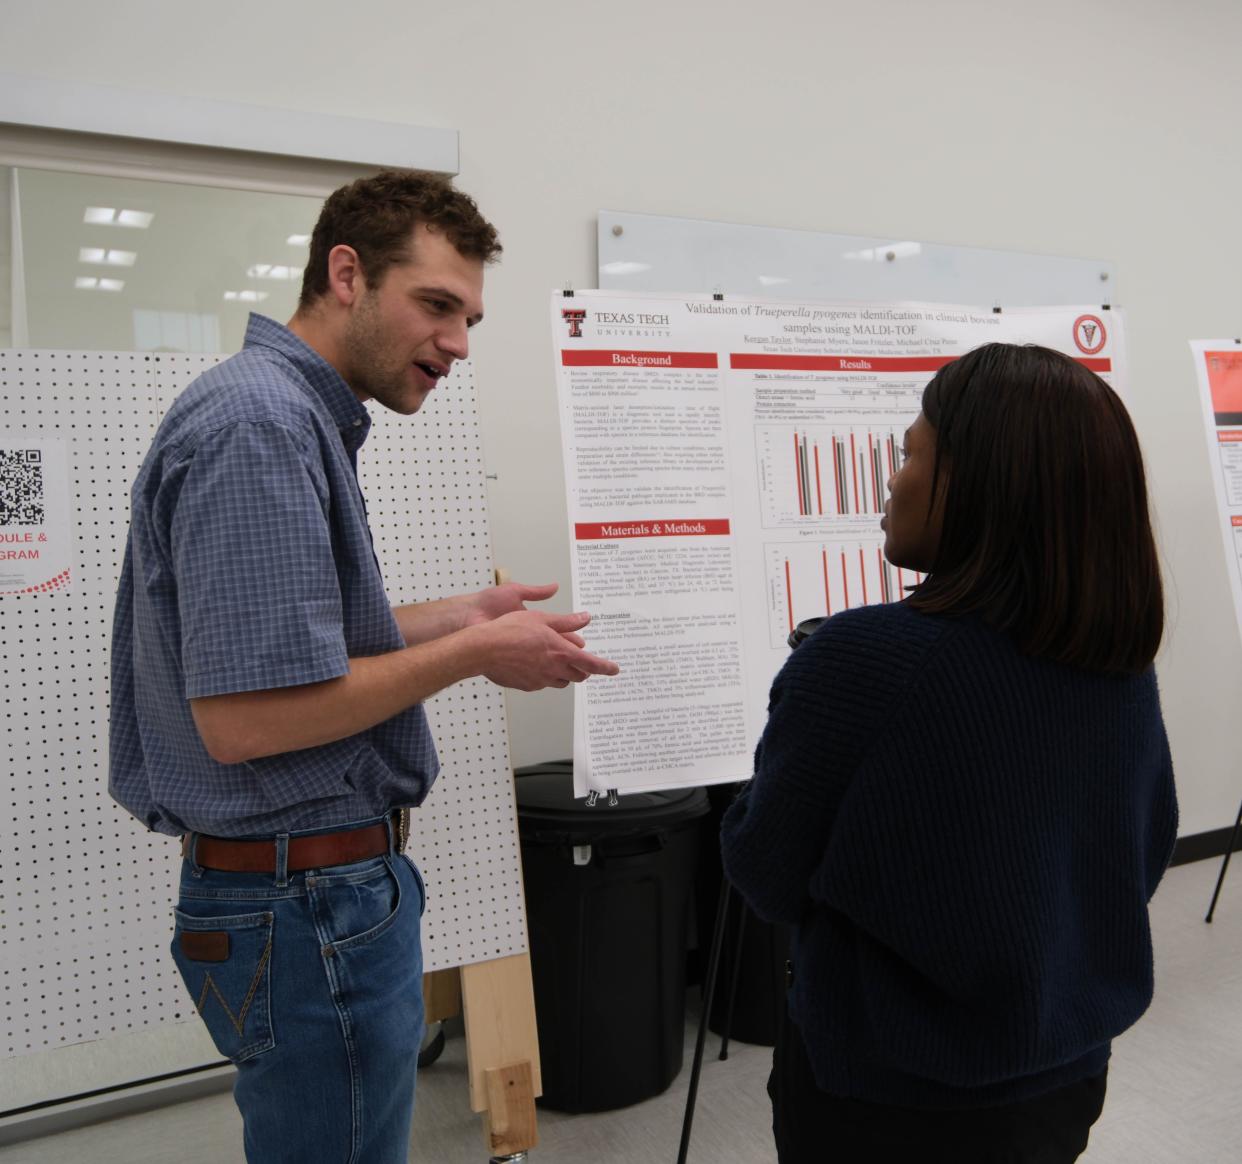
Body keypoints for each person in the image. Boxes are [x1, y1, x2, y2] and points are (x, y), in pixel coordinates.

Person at [108, 169, 618, 1163]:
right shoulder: (260, 428)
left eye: (469, 316)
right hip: (306, 908)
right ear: (347, 274)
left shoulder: (288, 416)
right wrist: (474, 652)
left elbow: (286, 640)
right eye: (436, 305)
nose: (460, 343)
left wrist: (452, 618)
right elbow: (247, 719)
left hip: (314, 900)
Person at [720, 343, 1177, 1163]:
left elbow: (766, 867)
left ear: (975, 485)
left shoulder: (863, 658)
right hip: (1065, 1076)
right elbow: (1134, 859)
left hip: (886, 1098)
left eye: (908, 454)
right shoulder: (1116, 661)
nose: (891, 481)